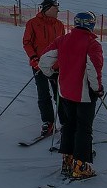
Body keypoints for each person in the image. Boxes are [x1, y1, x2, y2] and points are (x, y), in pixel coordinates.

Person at [39, 11, 103, 179]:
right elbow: (93, 69)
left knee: (68, 125)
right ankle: (80, 165)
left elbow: (44, 60)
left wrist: (50, 74)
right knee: (83, 128)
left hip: (65, 91)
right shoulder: (92, 43)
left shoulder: (63, 39)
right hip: (83, 94)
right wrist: (97, 88)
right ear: (91, 24)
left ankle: (67, 160)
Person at [22, 0, 66, 136]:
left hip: (55, 66)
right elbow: (27, 42)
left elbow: (63, 45)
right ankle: (48, 122)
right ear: (47, 9)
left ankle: (65, 122)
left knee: (59, 95)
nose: (58, 11)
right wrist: (33, 58)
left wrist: (61, 61)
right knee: (43, 94)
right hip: (39, 64)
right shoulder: (33, 23)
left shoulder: (59, 25)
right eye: (55, 8)